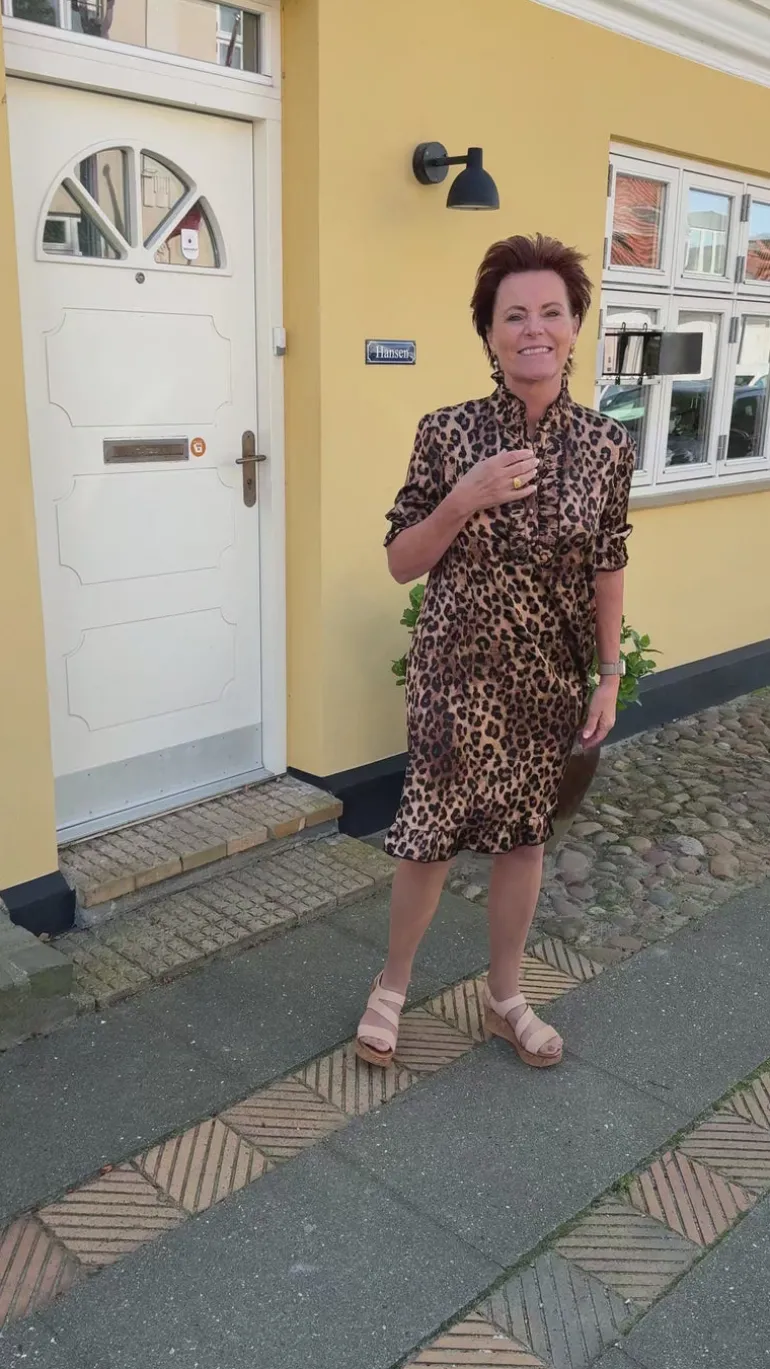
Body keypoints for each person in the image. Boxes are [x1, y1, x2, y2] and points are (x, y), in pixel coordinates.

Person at [355, 234, 634, 1071]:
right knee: (430, 833)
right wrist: (462, 499)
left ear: (576, 326)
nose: (533, 329)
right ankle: (391, 986)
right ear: (488, 334)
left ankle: (505, 996)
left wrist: (609, 672)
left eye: (551, 311)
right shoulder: (447, 433)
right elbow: (401, 559)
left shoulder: (607, 446)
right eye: (514, 315)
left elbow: (609, 562)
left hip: (549, 677)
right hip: (455, 672)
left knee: (525, 837)